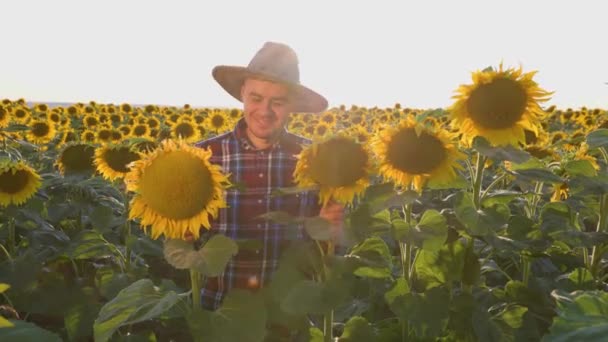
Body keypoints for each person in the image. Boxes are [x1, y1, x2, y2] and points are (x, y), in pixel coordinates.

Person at [194, 41, 344, 311]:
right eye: (256, 98)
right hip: (221, 315)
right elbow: (186, 241)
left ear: (292, 105)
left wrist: (330, 230)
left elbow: (328, 246)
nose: (265, 111)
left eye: (277, 102)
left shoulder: (314, 161)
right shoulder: (204, 157)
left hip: (288, 318)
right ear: (242, 93)